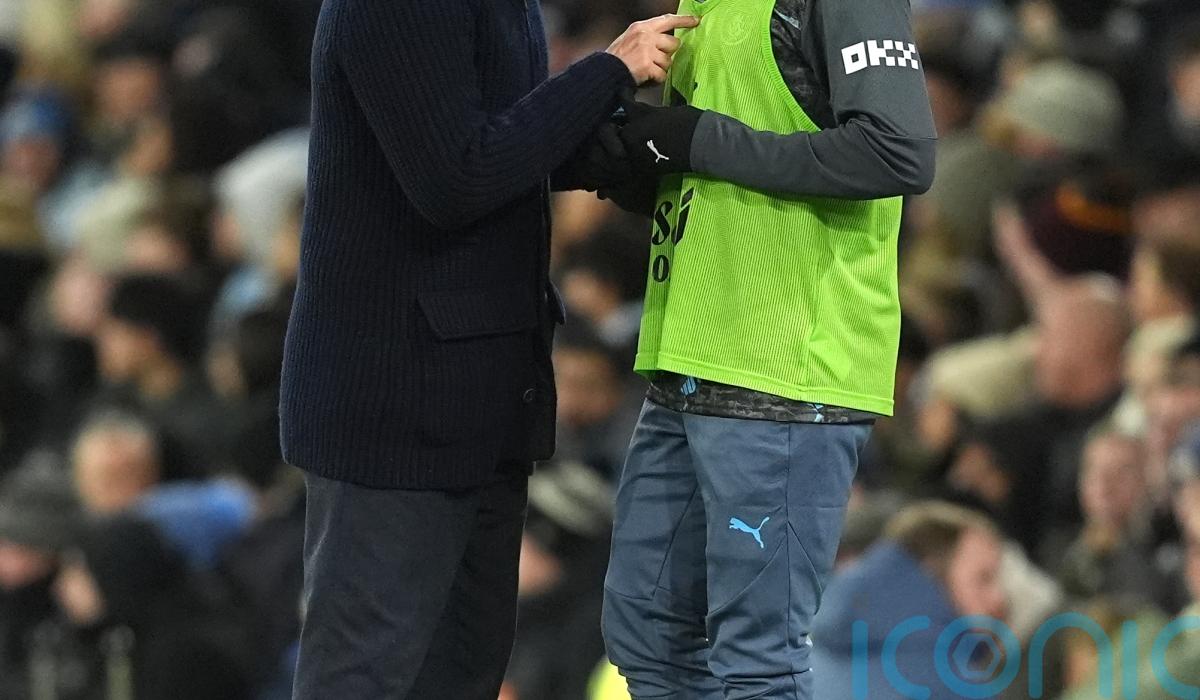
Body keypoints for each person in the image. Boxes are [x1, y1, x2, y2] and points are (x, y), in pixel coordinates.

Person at [279, 2, 699, 698]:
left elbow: (510, 144)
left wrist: (675, 146)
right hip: (396, 404)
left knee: (463, 674)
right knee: (367, 678)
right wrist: (605, 72)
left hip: (481, 398)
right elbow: (456, 176)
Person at [594, 0, 936, 697]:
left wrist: (697, 142)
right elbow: (724, 169)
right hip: (689, 355)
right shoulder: (706, 3)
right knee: (647, 635)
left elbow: (897, 150)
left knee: (757, 664)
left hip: (786, 373)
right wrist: (637, 160)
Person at [810, 502, 1007, 700]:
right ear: (930, 571)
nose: (999, 598)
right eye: (984, 578)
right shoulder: (954, 687)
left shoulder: (811, 657)